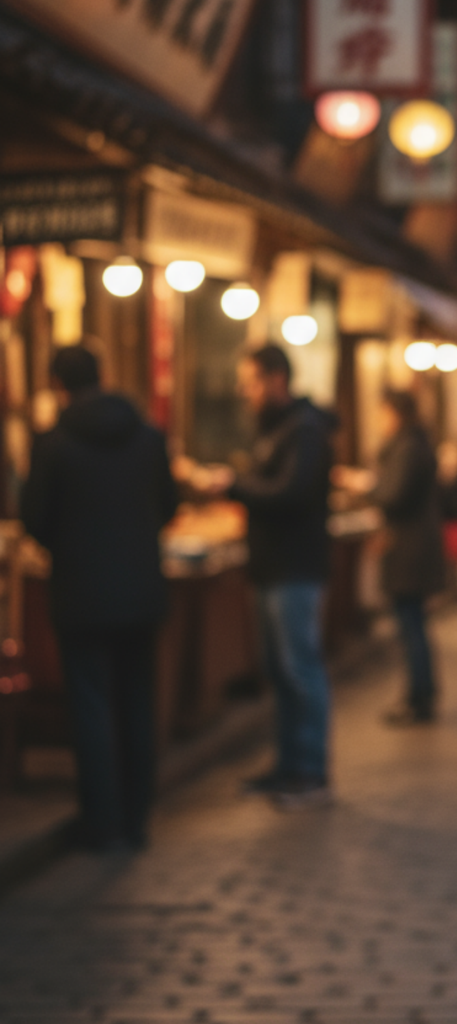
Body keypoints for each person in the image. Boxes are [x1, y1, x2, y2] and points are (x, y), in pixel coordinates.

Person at [21, 345, 178, 852]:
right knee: (136, 702)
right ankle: (136, 818)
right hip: (141, 591)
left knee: (90, 705)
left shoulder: (53, 444)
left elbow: (34, 519)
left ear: (59, 386)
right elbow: (169, 505)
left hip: (81, 592)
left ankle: (102, 821)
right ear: (104, 376)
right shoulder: (149, 438)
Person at [202, 344, 336, 808]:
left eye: (252, 381)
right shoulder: (278, 429)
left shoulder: (304, 430)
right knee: (279, 674)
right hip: (270, 569)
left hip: (295, 570)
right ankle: (287, 766)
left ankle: (312, 773)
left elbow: (292, 493)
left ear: (277, 378)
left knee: (301, 671)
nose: (246, 391)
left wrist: (233, 486)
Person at [356, 389, 445, 725]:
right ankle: (420, 694)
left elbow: (395, 496)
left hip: (409, 549)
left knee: (411, 625)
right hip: (414, 547)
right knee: (413, 624)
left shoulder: (407, 447)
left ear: (395, 413)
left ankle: (418, 697)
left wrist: (368, 487)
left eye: (382, 413)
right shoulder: (415, 444)